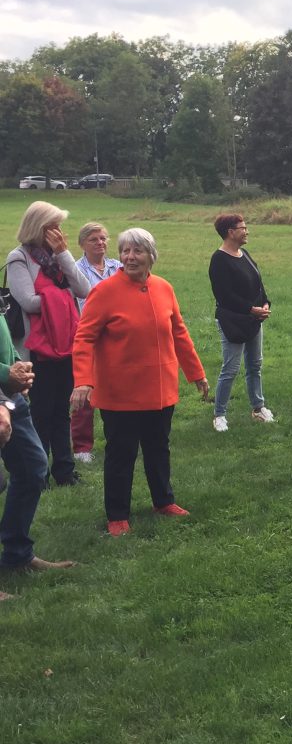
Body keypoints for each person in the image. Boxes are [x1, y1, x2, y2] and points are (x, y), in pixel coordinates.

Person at [70, 228, 209, 537]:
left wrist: (196, 373)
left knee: (159, 448)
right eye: (125, 251)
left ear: (151, 256)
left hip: (161, 390)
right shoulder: (105, 292)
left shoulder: (164, 288)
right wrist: (83, 381)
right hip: (121, 394)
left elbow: (179, 332)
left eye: (137, 251)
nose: (129, 257)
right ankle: (117, 515)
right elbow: (84, 339)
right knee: (121, 454)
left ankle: (164, 502)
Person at [7, 201, 91, 485]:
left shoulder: (56, 257)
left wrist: (64, 254)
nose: (58, 231)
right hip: (37, 349)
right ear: (37, 227)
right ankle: (38, 472)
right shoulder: (19, 258)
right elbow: (28, 301)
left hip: (67, 345)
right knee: (41, 412)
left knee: (61, 412)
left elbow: (83, 289)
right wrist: (62, 298)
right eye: (52, 226)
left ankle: (64, 471)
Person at [0, 312, 75, 597]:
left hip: (10, 395)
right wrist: (7, 374)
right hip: (3, 393)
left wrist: (17, 366)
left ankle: (17, 554)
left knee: (33, 468)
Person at [209, 214, 274, 432]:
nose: (247, 231)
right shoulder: (219, 259)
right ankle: (219, 415)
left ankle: (258, 408)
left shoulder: (244, 254)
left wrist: (264, 303)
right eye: (243, 227)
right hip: (233, 321)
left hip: (254, 319)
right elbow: (224, 295)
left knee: (255, 365)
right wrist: (249, 309)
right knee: (231, 368)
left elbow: (258, 283)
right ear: (230, 232)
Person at [71, 222, 122, 463]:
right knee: (85, 391)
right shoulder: (74, 271)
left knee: (120, 388)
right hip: (89, 336)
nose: (100, 243)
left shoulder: (118, 267)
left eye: (103, 238)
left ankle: (123, 436)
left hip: (118, 336)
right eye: (93, 239)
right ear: (82, 244)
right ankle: (81, 447)